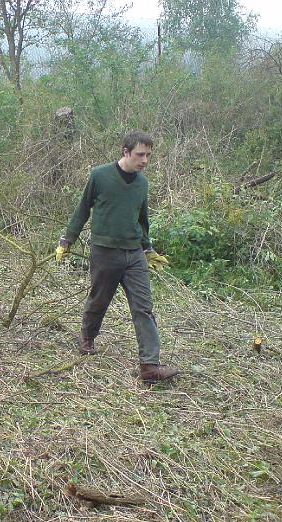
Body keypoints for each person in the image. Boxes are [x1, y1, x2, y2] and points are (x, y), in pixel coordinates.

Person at [55, 131, 179, 383]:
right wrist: (68, 239)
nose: (144, 160)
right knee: (99, 300)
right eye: (139, 154)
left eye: (148, 155)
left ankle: (149, 367)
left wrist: (148, 249)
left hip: (134, 255)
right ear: (125, 151)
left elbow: (142, 221)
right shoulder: (100, 176)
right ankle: (88, 336)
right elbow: (82, 209)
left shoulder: (142, 184)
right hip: (105, 253)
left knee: (144, 308)